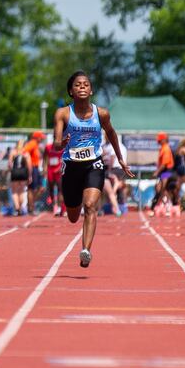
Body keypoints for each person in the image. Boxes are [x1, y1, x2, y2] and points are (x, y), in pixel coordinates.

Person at [53, 70, 133, 268]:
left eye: (86, 84)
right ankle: (75, 203)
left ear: (91, 90)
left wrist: (120, 160)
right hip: (71, 166)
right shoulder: (63, 113)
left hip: (93, 164)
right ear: (71, 91)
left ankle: (85, 250)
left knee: (90, 206)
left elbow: (112, 134)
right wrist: (62, 143)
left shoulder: (101, 113)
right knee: (73, 216)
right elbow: (55, 143)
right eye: (78, 84)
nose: (82, 86)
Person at [149, 132, 174, 213]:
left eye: (159, 140)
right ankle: (159, 206)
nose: (158, 142)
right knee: (160, 189)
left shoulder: (166, 148)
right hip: (164, 172)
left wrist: (156, 172)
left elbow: (164, 164)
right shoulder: (163, 148)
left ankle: (168, 206)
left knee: (163, 188)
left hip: (166, 171)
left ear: (164, 139)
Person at [22, 131, 45, 214]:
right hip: (32, 168)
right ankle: (30, 207)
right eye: (40, 137)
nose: (41, 139)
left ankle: (31, 205)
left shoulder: (36, 145)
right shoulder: (33, 143)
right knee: (32, 189)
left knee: (41, 188)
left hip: (36, 168)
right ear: (36, 137)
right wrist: (28, 163)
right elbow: (24, 151)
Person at [8, 140, 31, 216]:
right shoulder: (25, 153)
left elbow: (10, 164)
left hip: (15, 172)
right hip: (23, 172)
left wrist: (11, 171)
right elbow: (29, 165)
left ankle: (17, 207)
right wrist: (30, 175)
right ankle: (20, 207)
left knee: (14, 191)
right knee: (21, 191)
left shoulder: (13, 152)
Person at [43, 139, 65, 216]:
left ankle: (60, 207)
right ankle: (54, 205)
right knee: (51, 189)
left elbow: (64, 159)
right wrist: (44, 169)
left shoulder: (63, 147)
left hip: (59, 171)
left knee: (60, 190)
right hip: (50, 171)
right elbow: (45, 158)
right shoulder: (48, 147)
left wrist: (60, 168)